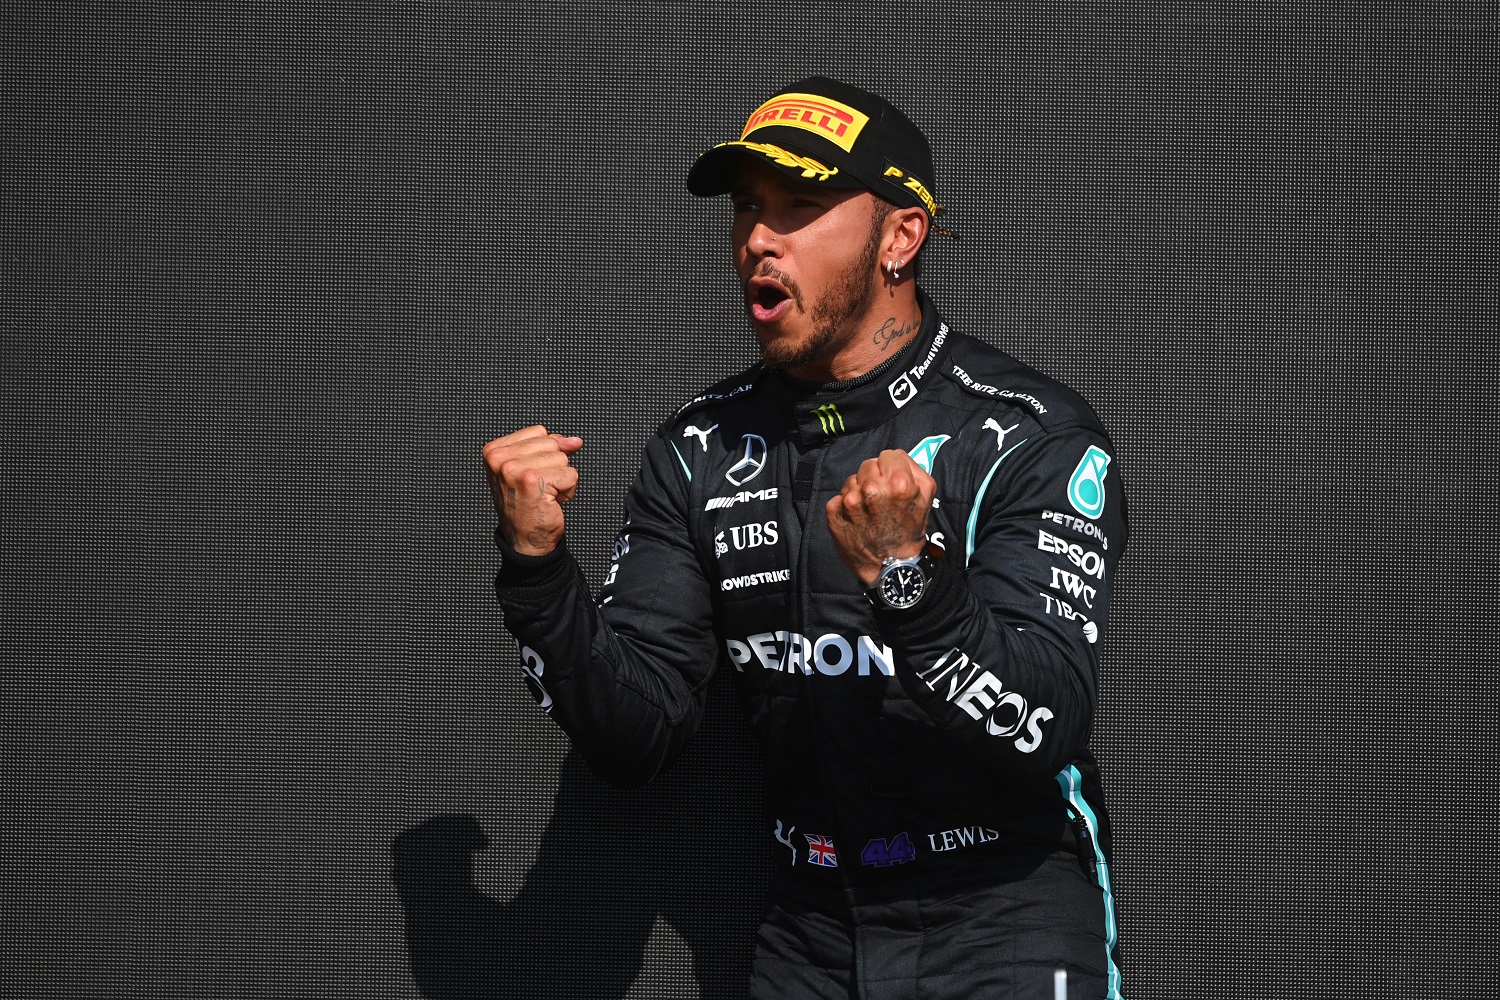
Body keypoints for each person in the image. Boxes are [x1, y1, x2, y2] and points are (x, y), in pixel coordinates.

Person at [483, 76, 1128, 999]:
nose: (757, 238)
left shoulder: (1029, 432)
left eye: (802, 206)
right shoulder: (697, 451)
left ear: (900, 237)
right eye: (749, 207)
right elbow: (636, 738)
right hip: (809, 932)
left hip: (1003, 915)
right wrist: (538, 571)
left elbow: (1044, 727)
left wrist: (910, 579)